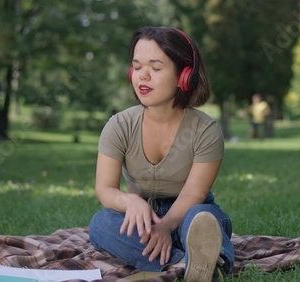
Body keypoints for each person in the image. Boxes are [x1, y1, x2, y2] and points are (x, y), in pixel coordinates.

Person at [89, 26, 234, 281]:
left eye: (156, 68)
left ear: (185, 75)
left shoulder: (206, 130)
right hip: (143, 220)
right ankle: (188, 265)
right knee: (101, 224)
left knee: (203, 217)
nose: (142, 76)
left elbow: (194, 193)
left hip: (190, 212)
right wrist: (130, 202)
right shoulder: (119, 126)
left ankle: (211, 260)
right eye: (137, 66)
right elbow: (105, 189)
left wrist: (167, 226)